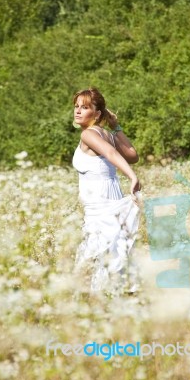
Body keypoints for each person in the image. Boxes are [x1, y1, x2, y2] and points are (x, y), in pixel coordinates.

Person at [72, 87, 142, 294]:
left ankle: (98, 294)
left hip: (100, 200)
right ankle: (111, 292)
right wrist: (116, 126)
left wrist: (132, 176)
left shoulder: (89, 135)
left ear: (97, 113)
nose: (77, 111)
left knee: (100, 246)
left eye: (85, 107)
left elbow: (114, 154)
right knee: (112, 244)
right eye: (76, 106)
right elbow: (132, 154)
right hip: (110, 194)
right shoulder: (107, 134)